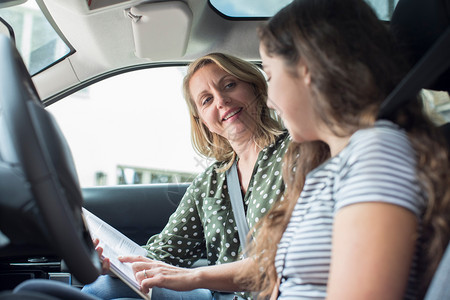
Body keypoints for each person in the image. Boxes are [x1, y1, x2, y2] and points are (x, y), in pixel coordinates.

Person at [12, 53, 289, 300]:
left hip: (278, 291)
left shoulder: (296, 153)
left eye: (229, 85)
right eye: (206, 100)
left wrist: (192, 277)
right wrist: (111, 262)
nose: (221, 100)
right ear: (203, 121)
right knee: (102, 288)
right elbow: (162, 254)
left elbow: (290, 259)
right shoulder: (210, 183)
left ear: (255, 87)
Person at [235, 0, 450, 299]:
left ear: (306, 67)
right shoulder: (331, 165)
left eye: (269, 76)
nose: (269, 100)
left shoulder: (377, 152)